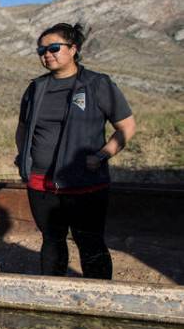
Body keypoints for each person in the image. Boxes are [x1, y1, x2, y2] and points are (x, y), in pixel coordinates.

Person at [15, 23, 135, 280]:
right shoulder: (36, 89)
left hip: (85, 182)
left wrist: (102, 155)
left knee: (90, 241)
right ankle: (54, 293)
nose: (47, 54)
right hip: (41, 182)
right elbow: (23, 129)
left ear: (73, 49)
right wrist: (24, 158)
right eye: (42, 50)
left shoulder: (96, 84)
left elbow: (126, 126)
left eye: (54, 48)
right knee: (51, 240)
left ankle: (100, 296)